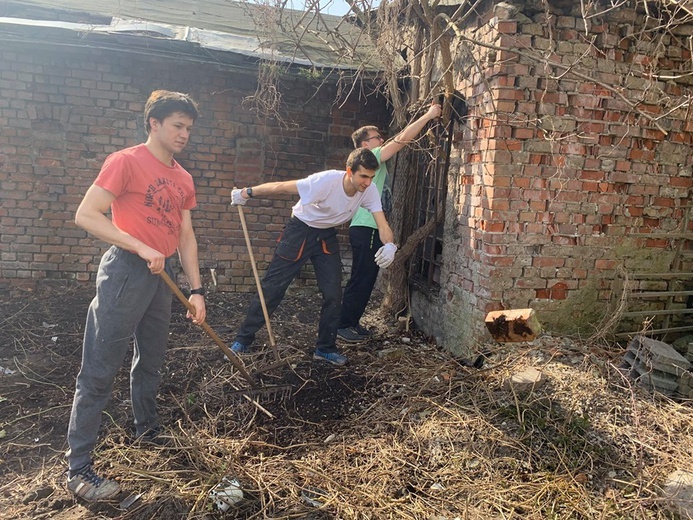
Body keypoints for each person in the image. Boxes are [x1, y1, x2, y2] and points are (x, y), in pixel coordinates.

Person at [65, 90, 207, 502]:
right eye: (178, 126)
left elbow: (185, 236)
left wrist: (196, 290)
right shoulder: (126, 161)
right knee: (99, 368)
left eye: (189, 128)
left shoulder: (183, 177)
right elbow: (86, 214)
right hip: (127, 272)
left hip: (162, 279)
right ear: (154, 124)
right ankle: (79, 470)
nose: (184, 134)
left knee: (151, 361)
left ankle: (146, 430)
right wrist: (137, 245)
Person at [229, 147, 396, 366]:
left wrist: (391, 244)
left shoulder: (369, 190)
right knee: (273, 288)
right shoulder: (324, 181)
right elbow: (281, 187)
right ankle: (243, 340)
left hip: (326, 236)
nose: (367, 182)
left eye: (371, 177)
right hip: (300, 231)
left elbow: (382, 223)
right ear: (349, 171)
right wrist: (246, 193)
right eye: (363, 176)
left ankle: (325, 348)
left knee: (333, 293)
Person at [337, 103, 442, 343]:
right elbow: (402, 140)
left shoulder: (374, 163)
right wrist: (429, 115)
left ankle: (351, 323)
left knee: (366, 278)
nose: (381, 140)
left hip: (369, 227)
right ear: (365, 144)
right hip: (367, 227)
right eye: (377, 138)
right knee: (361, 278)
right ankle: (343, 325)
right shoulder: (371, 156)